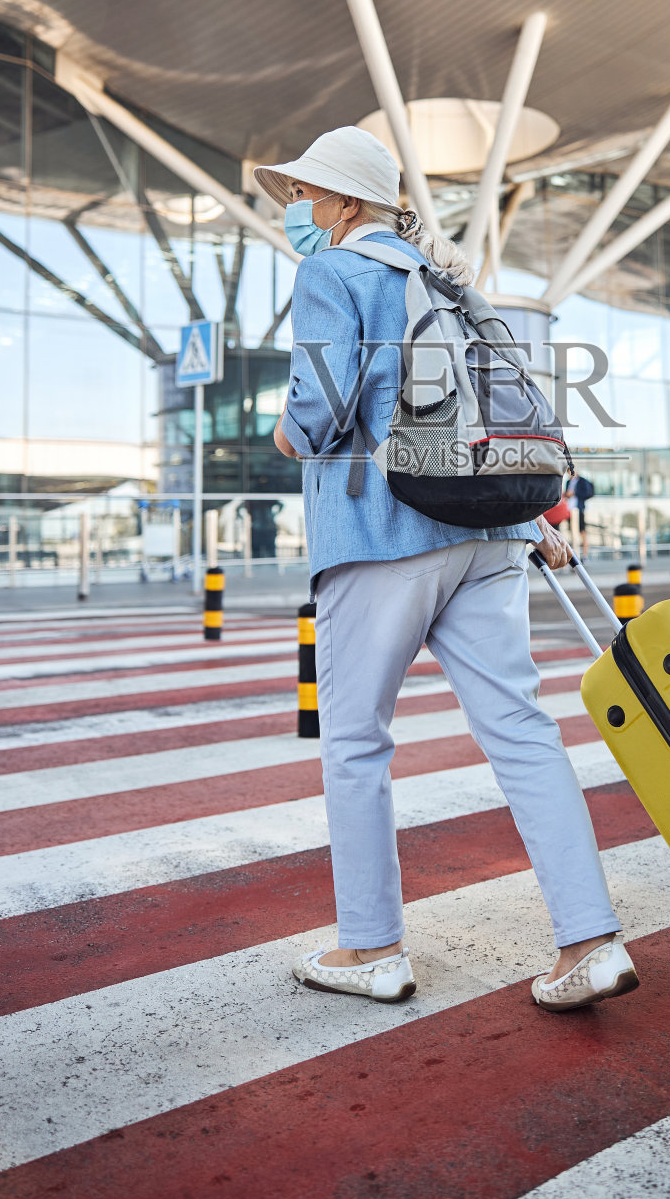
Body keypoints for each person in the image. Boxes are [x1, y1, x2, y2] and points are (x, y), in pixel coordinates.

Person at [255, 128, 632, 1012]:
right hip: (489, 529)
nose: (296, 209)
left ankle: (371, 947)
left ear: (344, 203)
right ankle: (590, 939)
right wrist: (531, 518)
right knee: (522, 730)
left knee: (355, 741)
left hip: (382, 531)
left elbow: (319, 410)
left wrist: (287, 434)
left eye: (305, 194)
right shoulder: (446, 278)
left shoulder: (332, 272)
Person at [565, 471, 595, 558]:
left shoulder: (583, 481)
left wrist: (574, 493)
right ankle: (573, 553)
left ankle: (585, 554)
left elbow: (588, 493)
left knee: (582, 531)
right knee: (571, 531)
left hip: (578, 509)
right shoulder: (568, 482)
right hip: (569, 510)